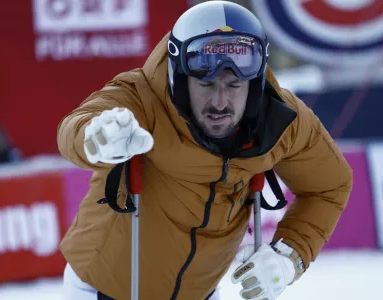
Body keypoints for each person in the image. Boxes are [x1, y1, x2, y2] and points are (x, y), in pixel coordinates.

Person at [58, 1, 353, 300]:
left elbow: (330, 185)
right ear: (180, 79)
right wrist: (94, 137)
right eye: (206, 83)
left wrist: (290, 256)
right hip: (103, 289)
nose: (221, 102)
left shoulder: (281, 121)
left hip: (201, 293)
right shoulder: (142, 97)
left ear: (255, 83)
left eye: (235, 84)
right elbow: (75, 126)